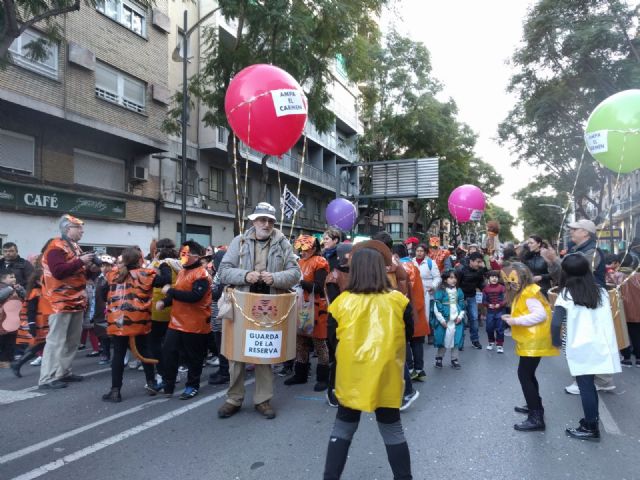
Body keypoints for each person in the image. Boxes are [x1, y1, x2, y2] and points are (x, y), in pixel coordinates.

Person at [323, 247, 413, 480]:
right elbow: (409, 334)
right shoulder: (399, 301)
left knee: (343, 427)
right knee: (392, 429)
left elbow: (331, 340)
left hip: (351, 374)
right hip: (387, 374)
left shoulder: (341, 302)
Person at [217, 202, 301, 420]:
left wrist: (276, 278)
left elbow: (295, 273)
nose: (267, 224)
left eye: (271, 220)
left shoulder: (283, 243)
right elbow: (223, 272)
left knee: (265, 353)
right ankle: (233, 399)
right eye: (262, 219)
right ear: (253, 221)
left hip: (270, 306)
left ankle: (263, 400)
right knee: (236, 354)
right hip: (240, 303)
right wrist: (245, 275)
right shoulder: (239, 241)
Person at [550, 254, 621, 441]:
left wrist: (555, 341)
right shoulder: (602, 292)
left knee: (586, 387)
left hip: (579, 346)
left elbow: (556, 323)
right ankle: (590, 420)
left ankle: (591, 427)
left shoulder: (565, 294)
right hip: (600, 344)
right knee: (590, 386)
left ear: (565, 272)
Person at [38, 214, 99, 389]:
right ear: (67, 229)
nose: (82, 231)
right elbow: (58, 272)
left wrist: (92, 269)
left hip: (76, 300)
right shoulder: (55, 246)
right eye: (78, 227)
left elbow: (80, 274)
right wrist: (81, 261)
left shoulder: (75, 248)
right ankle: (47, 378)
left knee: (72, 340)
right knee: (56, 340)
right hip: (59, 301)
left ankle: (63, 372)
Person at [100, 247, 167, 402]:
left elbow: (103, 293)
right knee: (144, 351)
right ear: (139, 259)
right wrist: (161, 263)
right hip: (139, 321)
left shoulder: (112, 275)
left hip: (118, 322)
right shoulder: (146, 274)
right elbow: (164, 280)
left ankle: (115, 391)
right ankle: (151, 384)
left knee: (118, 354)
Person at [501, 262, 558, 432]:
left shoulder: (528, 292)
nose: (510, 283)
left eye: (512, 279)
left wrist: (515, 321)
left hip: (534, 340)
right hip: (531, 339)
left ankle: (536, 416)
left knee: (524, 375)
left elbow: (539, 315)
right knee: (528, 374)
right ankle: (535, 406)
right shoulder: (525, 291)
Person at [152, 240, 212, 400]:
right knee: (168, 353)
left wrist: (170, 291)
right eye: (181, 253)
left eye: (185, 254)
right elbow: (177, 294)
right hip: (176, 322)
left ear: (196, 256)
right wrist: (165, 302)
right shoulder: (182, 272)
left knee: (193, 357)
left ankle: (192, 385)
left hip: (195, 324)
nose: (181, 256)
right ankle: (168, 384)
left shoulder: (202, 275)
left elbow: (194, 297)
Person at [284, 235, 330, 391]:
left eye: (305, 249)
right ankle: (300, 374)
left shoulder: (320, 262)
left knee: (319, 342)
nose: (302, 252)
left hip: (317, 306)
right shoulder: (300, 262)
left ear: (314, 249)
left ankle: (323, 377)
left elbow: (318, 287)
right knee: (300, 342)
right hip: (301, 305)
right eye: (300, 249)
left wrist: (300, 282)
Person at [393, 243, 429, 382]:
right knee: (417, 341)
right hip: (418, 309)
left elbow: (406, 292)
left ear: (395, 255)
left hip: (410, 310)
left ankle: (411, 369)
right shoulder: (412, 266)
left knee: (406, 340)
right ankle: (419, 370)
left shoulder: (403, 268)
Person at [11, 255, 51, 376]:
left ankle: (18, 364)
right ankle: (18, 364)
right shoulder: (35, 292)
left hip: (45, 323)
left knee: (41, 345)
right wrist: (32, 324)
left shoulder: (43, 291)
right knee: (39, 345)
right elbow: (31, 310)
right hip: (39, 324)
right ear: (38, 281)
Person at [148, 239, 181, 382]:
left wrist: (153, 278)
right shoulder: (178, 263)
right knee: (171, 343)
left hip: (159, 308)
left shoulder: (163, 264)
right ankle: (173, 371)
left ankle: (163, 372)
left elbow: (165, 279)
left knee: (155, 343)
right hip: (175, 306)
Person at [324, 243, 352, 407]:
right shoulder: (333, 277)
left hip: (352, 321)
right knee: (338, 358)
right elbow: (336, 304)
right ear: (345, 256)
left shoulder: (355, 273)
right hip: (338, 323)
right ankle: (332, 390)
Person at [432, 268, 465, 369]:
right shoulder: (440, 291)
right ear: (445, 279)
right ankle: (439, 358)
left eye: (455, 278)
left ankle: (454, 359)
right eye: (451, 278)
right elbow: (436, 306)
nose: (454, 280)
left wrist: (460, 316)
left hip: (456, 321)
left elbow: (462, 305)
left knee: (456, 340)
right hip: (445, 321)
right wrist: (441, 320)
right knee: (443, 339)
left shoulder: (459, 291)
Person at [456, 251, 487, 349]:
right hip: (460, 298)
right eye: (478, 262)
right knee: (460, 321)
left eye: (481, 262)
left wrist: (488, 292)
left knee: (474, 319)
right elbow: (456, 284)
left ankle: (475, 340)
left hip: (472, 297)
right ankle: (460, 341)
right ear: (471, 261)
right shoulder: (461, 270)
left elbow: (481, 284)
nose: (480, 264)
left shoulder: (479, 271)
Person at [0, 272, 26, 367]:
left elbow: (25, 296)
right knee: (4, 339)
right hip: (3, 317)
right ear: (2, 279)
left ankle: (10, 358)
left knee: (12, 338)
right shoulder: (3, 288)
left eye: (14, 277)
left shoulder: (16, 287)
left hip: (14, 317)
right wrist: (10, 288)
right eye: (11, 277)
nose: (14, 279)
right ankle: (3, 360)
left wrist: (21, 289)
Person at [620, 257, 639, 367]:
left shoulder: (620, 277)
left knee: (624, 334)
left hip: (625, 311)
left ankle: (626, 358)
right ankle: (638, 358)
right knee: (637, 334)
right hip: (637, 311)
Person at [482, 270, 507, 353]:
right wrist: (488, 305)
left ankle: (500, 345)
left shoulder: (502, 288)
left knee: (500, 328)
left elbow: (505, 299)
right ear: (489, 278)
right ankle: (491, 342)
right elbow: (484, 301)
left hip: (500, 311)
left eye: (496, 277)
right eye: (492, 277)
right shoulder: (485, 289)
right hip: (490, 312)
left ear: (498, 278)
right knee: (489, 328)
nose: (494, 279)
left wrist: (500, 304)